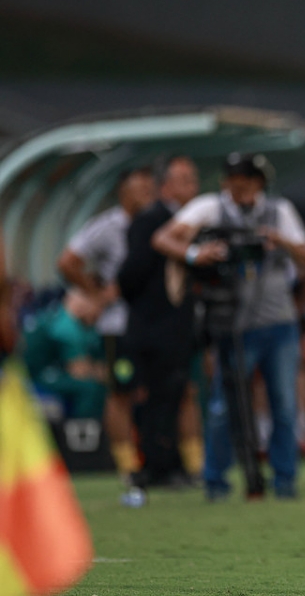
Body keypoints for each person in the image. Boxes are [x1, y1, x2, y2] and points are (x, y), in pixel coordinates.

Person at [152, 152, 305, 500]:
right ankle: (216, 481)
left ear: (259, 183)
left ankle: (284, 481)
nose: (238, 188)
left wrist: (278, 240)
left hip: (278, 321)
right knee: (223, 406)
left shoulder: (278, 210)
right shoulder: (210, 207)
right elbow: (164, 239)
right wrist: (198, 254)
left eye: (246, 181)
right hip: (231, 322)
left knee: (284, 406)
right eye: (233, 181)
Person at [57, 167, 156, 487]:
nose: (146, 194)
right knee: (121, 394)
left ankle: (162, 462)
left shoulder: (157, 224)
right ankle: (127, 468)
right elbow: (67, 262)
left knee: (162, 392)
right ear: (123, 192)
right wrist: (95, 293)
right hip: (119, 326)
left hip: (154, 323)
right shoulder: (107, 227)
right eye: (140, 187)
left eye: (149, 188)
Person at [117, 156, 204, 488]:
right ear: (165, 185)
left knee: (175, 394)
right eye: (183, 179)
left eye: (193, 180)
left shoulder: (187, 222)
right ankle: (157, 467)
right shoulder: (152, 219)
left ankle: (173, 464)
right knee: (156, 396)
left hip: (177, 327)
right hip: (153, 327)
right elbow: (130, 275)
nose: (191, 187)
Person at [22, 288, 106, 420]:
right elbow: (79, 371)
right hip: (35, 376)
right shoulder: (66, 324)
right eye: (99, 306)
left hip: (44, 372)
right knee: (91, 389)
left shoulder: (60, 314)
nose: (100, 312)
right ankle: (83, 436)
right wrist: (97, 370)